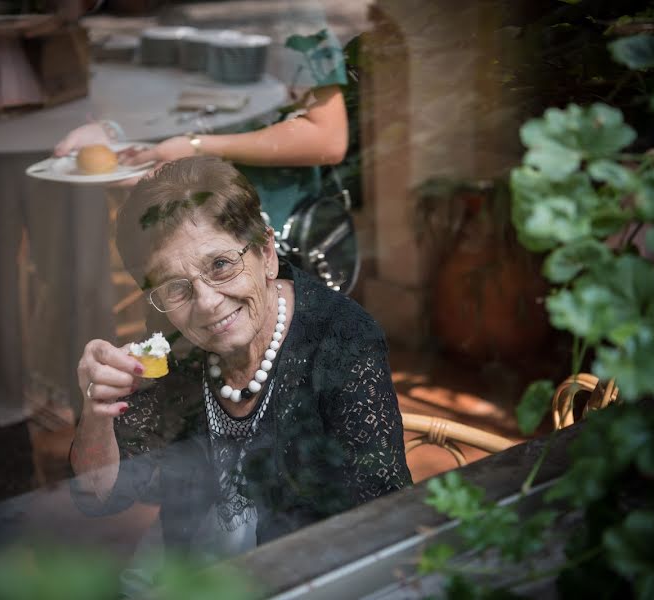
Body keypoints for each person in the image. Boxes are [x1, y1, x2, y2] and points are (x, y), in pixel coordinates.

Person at [69, 156, 411, 561]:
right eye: (176, 288)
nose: (208, 303)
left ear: (266, 253)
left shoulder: (342, 340)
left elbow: (384, 519)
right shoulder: (173, 339)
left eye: (221, 265)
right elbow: (102, 495)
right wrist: (97, 411)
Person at [53, 26, 349, 233]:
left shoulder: (287, 19)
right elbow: (168, 104)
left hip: (265, 223)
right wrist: (113, 130)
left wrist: (197, 147)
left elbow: (327, 138)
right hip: (179, 225)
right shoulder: (175, 19)